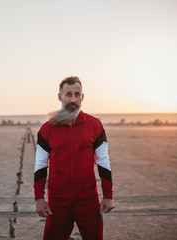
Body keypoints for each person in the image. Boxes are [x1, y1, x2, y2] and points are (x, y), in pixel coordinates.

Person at [34, 76, 115, 240]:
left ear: (82, 97)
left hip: (89, 202)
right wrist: (39, 198)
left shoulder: (95, 125)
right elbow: (41, 165)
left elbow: (103, 161)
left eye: (77, 94)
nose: (73, 99)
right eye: (68, 94)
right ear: (60, 97)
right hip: (58, 204)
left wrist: (108, 195)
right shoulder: (47, 129)